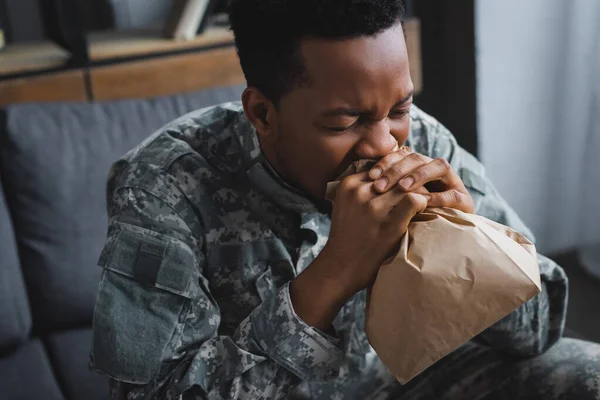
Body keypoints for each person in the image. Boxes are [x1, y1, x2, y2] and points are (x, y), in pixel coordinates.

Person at [89, 0, 600, 399]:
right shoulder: (164, 185)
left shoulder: (421, 140)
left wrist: (474, 249)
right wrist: (335, 272)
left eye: (399, 106)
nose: (384, 145)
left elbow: (538, 334)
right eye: (344, 123)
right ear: (263, 113)